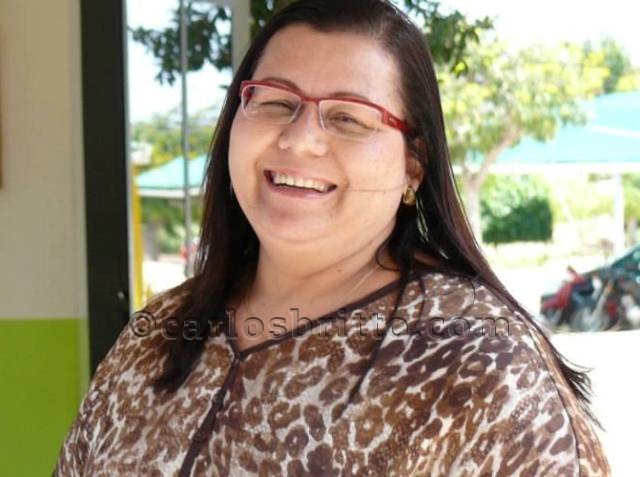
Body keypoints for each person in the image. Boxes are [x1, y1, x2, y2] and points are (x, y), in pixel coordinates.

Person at [54, 0, 610, 475]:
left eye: (349, 118)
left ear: (413, 164)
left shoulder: (478, 365)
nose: (300, 140)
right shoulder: (158, 333)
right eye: (276, 101)